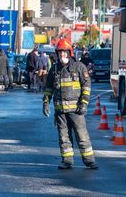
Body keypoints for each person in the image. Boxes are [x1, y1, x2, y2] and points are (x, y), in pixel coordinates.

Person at [42, 39, 98, 170]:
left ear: (69, 53)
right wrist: (45, 102)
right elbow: (49, 88)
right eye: (59, 53)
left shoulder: (79, 67)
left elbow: (86, 85)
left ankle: (89, 161)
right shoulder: (54, 69)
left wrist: (83, 103)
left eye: (64, 53)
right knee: (63, 137)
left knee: (82, 136)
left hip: (76, 111)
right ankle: (67, 161)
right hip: (60, 112)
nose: (62, 56)